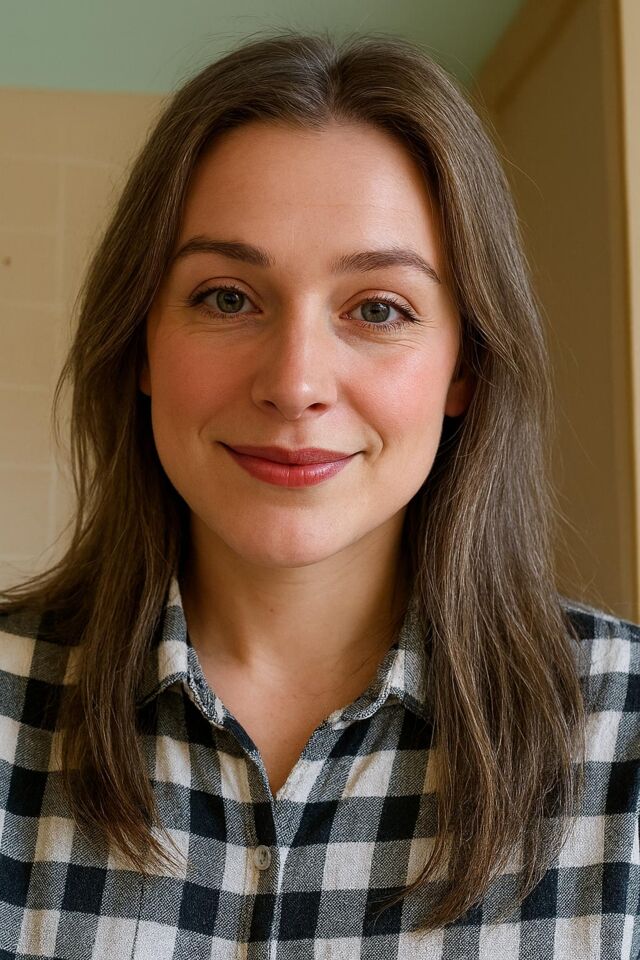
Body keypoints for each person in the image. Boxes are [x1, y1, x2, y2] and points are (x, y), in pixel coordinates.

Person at [0, 29, 637, 960]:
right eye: (227, 297)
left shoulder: (625, 735)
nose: (295, 383)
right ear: (140, 345)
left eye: (378, 309)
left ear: (464, 367)